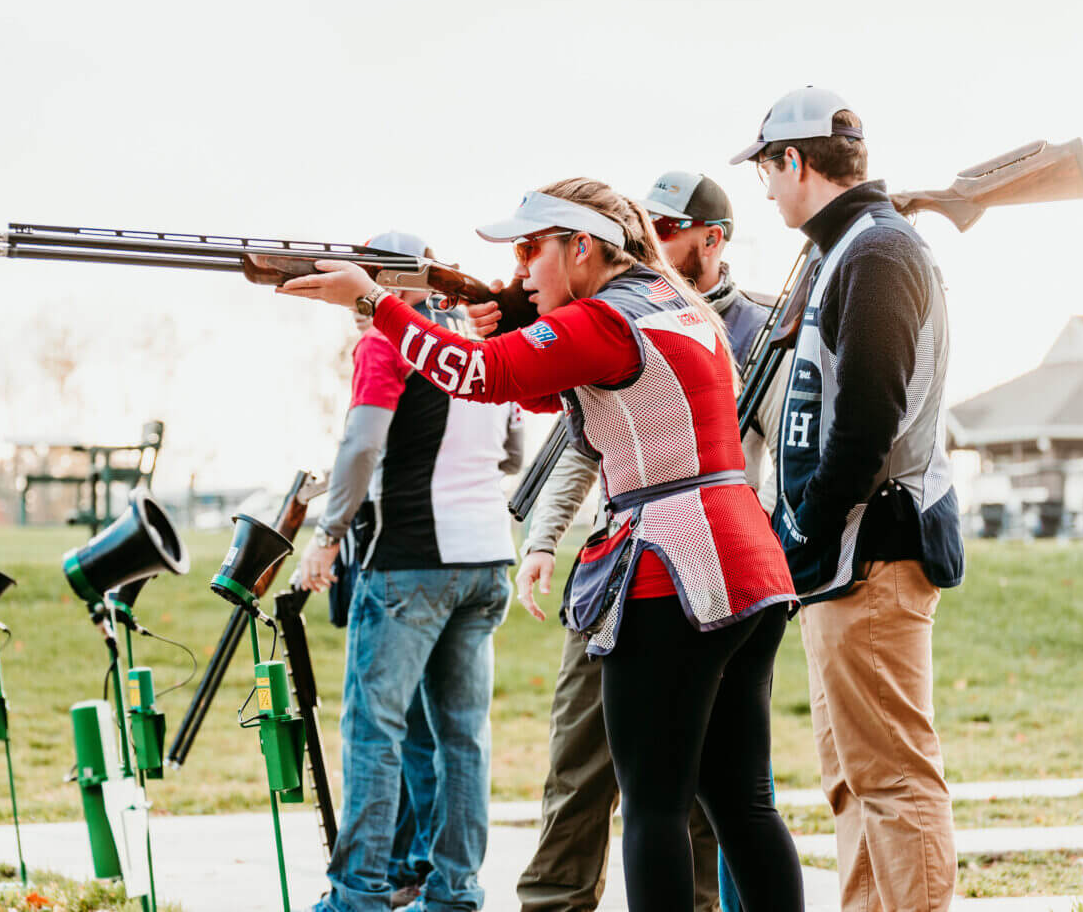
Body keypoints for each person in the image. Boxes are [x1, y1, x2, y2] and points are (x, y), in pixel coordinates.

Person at [279, 179, 805, 912]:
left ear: (583, 247)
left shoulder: (605, 319)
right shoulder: (674, 302)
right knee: (742, 803)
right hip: (745, 565)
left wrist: (374, 303)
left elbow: (484, 375)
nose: (522, 268)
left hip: (669, 570)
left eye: (532, 249)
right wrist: (504, 323)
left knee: (652, 804)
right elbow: (542, 385)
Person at [502, 171, 788, 912]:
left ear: (711, 238)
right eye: (646, 226)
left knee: (667, 801)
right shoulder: (643, 311)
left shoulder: (747, 322)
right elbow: (580, 439)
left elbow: (787, 445)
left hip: (678, 569)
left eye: (666, 230)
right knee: (641, 777)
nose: (651, 243)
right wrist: (545, 537)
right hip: (675, 563)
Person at [731, 87, 965, 912]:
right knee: (852, 781)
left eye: (766, 167)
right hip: (838, 560)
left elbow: (867, 420)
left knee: (894, 780)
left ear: (795, 161)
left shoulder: (877, 251)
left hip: (871, 552)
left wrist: (807, 532)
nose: (763, 188)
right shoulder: (851, 248)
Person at [294, 231, 523, 912]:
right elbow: (511, 449)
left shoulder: (385, 341)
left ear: (384, 286)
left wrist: (327, 535)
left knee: (373, 728)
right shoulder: (484, 337)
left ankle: (357, 894)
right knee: (463, 736)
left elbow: (362, 443)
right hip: (487, 557)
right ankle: (454, 892)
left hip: (411, 562)